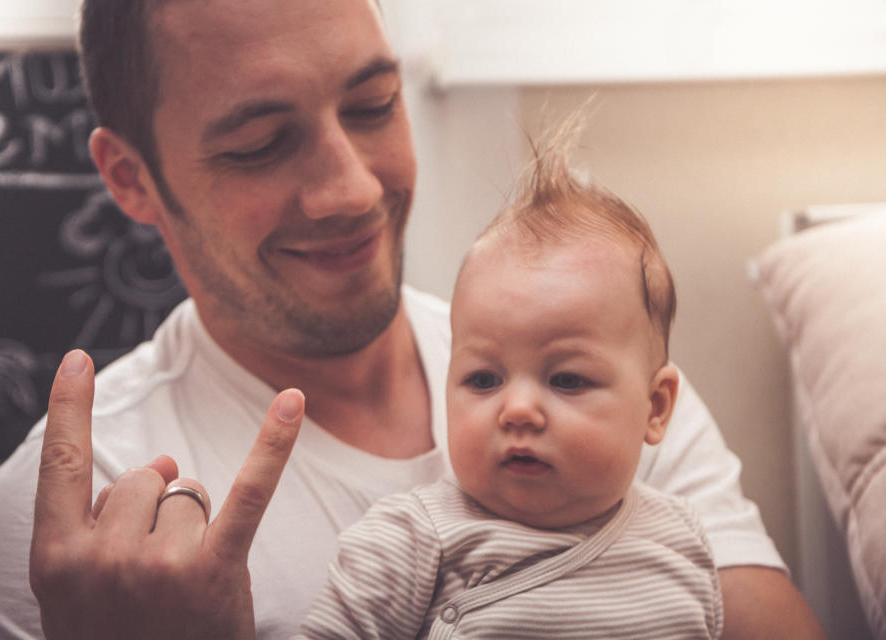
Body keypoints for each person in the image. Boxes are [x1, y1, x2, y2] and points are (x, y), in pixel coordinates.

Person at [0, 0, 824, 638]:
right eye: (260, 144)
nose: (354, 189)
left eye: (372, 107)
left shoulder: (598, 374)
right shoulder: (71, 528)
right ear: (131, 177)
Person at [298, 123, 724, 639]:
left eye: (566, 379)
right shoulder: (413, 541)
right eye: (483, 379)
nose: (517, 409)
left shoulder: (680, 539)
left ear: (656, 408)